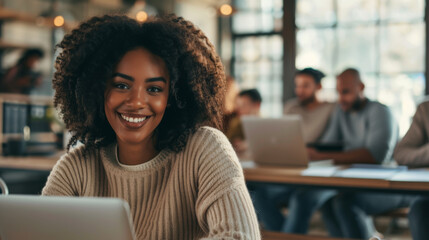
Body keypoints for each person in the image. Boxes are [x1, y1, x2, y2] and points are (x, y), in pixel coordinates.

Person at [42, 15, 260, 239]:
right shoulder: (76, 167)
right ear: (97, 90)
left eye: (154, 89)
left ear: (173, 96)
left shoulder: (205, 149)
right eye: (121, 85)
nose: (136, 102)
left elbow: (240, 236)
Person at [284, 68, 334, 143]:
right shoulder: (291, 107)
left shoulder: (330, 109)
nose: (300, 91)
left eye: (305, 86)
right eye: (297, 86)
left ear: (319, 86)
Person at [227, 88, 262, 153]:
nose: (238, 109)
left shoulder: (266, 125)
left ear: (257, 105)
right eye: (238, 105)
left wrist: (250, 145)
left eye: (243, 105)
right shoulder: (236, 122)